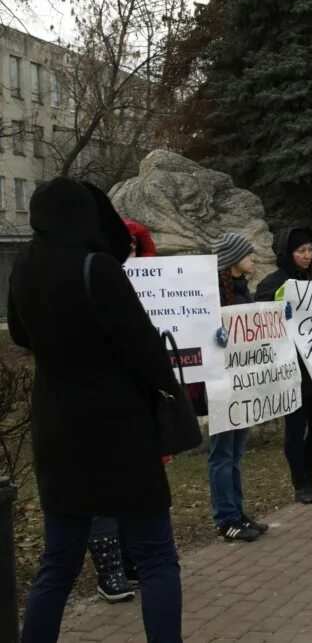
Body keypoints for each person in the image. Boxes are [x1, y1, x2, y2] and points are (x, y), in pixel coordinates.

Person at [10, 178, 182, 643]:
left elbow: (21, 336)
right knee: (156, 557)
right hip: (118, 434)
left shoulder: (25, 264)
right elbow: (146, 351)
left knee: (58, 563)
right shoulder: (97, 268)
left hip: (58, 432)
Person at [86, 217, 160, 602]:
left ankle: (131, 561)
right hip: (99, 406)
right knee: (104, 493)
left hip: (134, 404)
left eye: (134, 246)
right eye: (125, 245)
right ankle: (110, 568)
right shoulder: (94, 279)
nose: (131, 252)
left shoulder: (144, 280)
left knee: (132, 489)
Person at [255, 226, 312, 504]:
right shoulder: (271, 285)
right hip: (292, 372)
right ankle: (300, 483)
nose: (307, 256)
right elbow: (263, 327)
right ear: (288, 253)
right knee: (296, 429)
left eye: (310, 250)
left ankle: (310, 478)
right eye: (301, 251)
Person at [208, 233, 269, 541]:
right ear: (233, 259)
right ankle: (226, 519)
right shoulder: (214, 295)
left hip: (242, 384)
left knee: (235, 453)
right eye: (248, 254)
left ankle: (238, 514)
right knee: (222, 454)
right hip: (222, 386)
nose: (253, 258)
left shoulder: (243, 290)